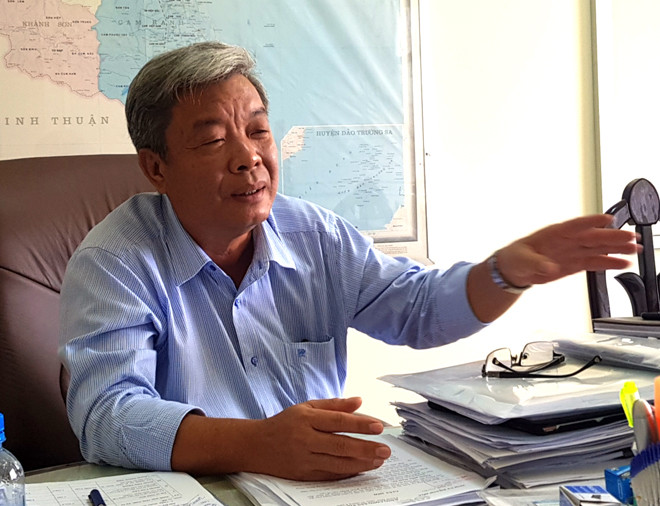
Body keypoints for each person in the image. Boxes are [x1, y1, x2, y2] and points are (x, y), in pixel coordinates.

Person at [59, 41, 639, 482]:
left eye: (258, 131)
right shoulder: (115, 261)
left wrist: (503, 273)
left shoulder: (316, 235)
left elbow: (418, 310)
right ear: (156, 168)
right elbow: (108, 415)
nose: (249, 158)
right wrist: (257, 444)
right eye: (213, 141)